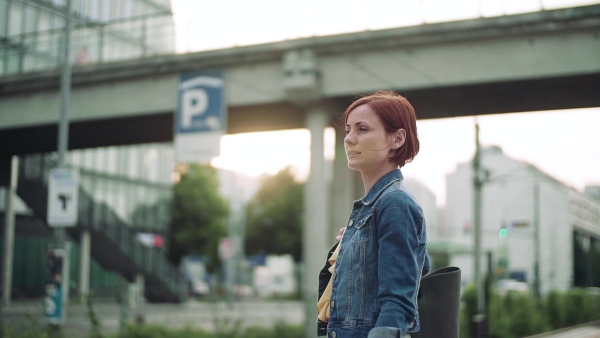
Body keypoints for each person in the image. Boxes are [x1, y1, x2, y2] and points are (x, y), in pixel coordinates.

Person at [317, 90, 430, 338]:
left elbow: (398, 301)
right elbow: (420, 265)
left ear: (397, 139)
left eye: (362, 129)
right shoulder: (374, 208)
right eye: (347, 130)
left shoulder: (395, 202)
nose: (348, 139)